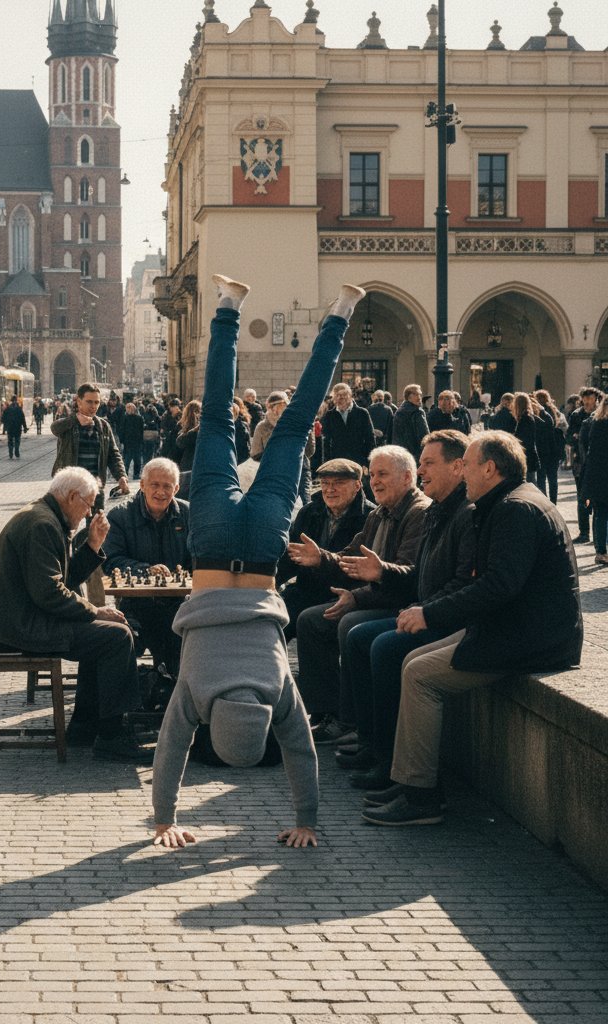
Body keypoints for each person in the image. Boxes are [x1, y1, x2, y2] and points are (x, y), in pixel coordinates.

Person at [151, 275, 367, 852]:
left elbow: (302, 751)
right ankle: (229, 305)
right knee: (218, 417)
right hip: (215, 543)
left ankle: (341, 312)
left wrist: (308, 821)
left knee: (295, 423)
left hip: (266, 549)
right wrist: (163, 820)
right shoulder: (196, 690)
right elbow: (171, 749)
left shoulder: (275, 690)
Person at [362, 431, 581, 826]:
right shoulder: (507, 502)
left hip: (531, 639)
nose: (463, 474)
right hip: (517, 629)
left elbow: (497, 586)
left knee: (419, 673)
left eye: (468, 465)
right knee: (412, 657)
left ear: (490, 468)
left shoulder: (515, 509)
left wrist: (430, 615)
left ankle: (422, 796)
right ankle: (407, 778)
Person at [0, 466, 150, 763]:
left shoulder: (48, 518)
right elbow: (50, 593)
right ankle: (111, 735)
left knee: (113, 632)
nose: (88, 514)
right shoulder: (42, 525)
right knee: (116, 637)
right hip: (21, 628)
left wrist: (93, 544)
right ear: (72, 496)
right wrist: (95, 610)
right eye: (88, 505)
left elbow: (63, 581)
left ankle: (85, 725)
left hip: (27, 619)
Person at [340, 430, 476, 791]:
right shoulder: (439, 509)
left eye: (428, 463)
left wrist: (423, 609)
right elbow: (420, 574)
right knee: (357, 635)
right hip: (425, 606)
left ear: (459, 467)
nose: (421, 470)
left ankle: (388, 761)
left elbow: (467, 583)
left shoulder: (460, 511)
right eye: (420, 462)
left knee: (381, 644)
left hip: (448, 617)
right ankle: (370, 742)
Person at [289, 445, 430, 744]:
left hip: (401, 603)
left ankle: (352, 722)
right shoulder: (380, 513)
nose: (375, 481)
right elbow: (349, 558)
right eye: (373, 475)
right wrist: (320, 558)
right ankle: (327, 712)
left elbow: (408, 574)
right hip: (372, 596)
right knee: (309, 619)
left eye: (383, 475)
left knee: (347, 624)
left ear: (407, 478)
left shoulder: (417, 512)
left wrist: (359, 594)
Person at [103, 458, 190, 678]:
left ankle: (175, 696)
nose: (161, 492)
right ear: (142, 485)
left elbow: (198, 559)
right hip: (135, 605)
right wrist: (145, 569)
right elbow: (110, 560)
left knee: (189, 636)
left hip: (178, 604)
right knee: (121, 638)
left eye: (167, 486)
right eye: (155, 485)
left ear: (176, 488)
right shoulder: (120, 516)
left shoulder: (188, 514)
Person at [274, 458, 374, 641]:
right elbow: (289, 557)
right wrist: (269, 582)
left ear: (358, 485)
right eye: (325, 483)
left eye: (339, 483)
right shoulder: (310, 513)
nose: (330, 489)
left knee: (311, 621)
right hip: (306, 591)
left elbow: (360, 571)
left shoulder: (369, 517)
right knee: (272, 617)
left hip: (342, 594)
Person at [51, 382, 129, 511]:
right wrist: (75, 420)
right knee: (66, 527)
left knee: (96, 526)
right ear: (79, 402)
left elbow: (113, 454)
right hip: (69, 487)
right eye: (89, 402)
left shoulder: (103, 426)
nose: (93, 406)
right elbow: (55, 428)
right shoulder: (69, 423)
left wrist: (121, 476)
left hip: (95, 486)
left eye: (96, 402)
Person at [567, 387, 601, 542]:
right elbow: (568, 436)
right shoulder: (576, 415)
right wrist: (575, 437)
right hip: (580, 463)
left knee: (599, 500)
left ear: (597, 399)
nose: (587, 402)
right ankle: (584, 533)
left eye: (590, 399)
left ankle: (598, 535)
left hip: (599, 464)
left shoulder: (602, 415)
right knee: (582, 498)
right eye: (585, 399)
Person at [580, 394, 608, 565]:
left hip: (598, 476)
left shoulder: (596, 424)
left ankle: (601, 551)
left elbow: (589, 452)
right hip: (601, 475)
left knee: (601, 514)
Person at [320, 382, 375, 469]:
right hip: (337, 463)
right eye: (337, 395)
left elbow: (370, 439)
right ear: (333, 398)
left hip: (358, 462)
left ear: (350, 395)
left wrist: (367, 462)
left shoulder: (362, 413)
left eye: (344, 394)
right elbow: (325, 442)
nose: (341, 397)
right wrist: (327, 464)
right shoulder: (329, 415)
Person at [534, 389, 566, 503]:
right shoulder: (555, 411)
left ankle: (544, 501)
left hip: (542, 448)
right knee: (553, 478)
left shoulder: (537, 413)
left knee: (541, 478)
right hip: (554, 448)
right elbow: (563, 427)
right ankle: (553, 502)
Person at [391, 384, 430, 462]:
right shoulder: (417, 412)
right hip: (416, 455)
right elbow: (424, 435)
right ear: (409, 396)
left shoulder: (399, 412)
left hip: (400, 453)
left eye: (420, 394)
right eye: (416, 394)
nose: (419, 397)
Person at [510, 392, 540, 485]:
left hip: (527, 456)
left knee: (530, 483)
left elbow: (524, 439)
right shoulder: (526, 418)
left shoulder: (525, 419)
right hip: (529, 455)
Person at [172, 399, 201, 473]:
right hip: (190, 465)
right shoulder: (183, 426)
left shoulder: (181, 425)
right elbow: (179, 442)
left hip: (186, 466)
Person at [119, 401, 145, 480]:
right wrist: (122, 441)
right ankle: (128, 475)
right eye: (128, 408)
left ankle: (134, 475)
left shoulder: (138, 418)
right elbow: (122, 430)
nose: (129, 410)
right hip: (130, 443)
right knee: (128, 460)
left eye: (130, 408)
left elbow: (141, 431)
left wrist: (122, 441)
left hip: (133, 442)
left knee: (134, 460)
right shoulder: (126, 418)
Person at [1, 393, 27, 459]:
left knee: (10, 440)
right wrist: (25, 427)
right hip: (18, 427)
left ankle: (10, 453)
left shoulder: (7, 409)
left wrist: (6, 426)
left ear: (11, 401)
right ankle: (16, 450)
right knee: (17, 440)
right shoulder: (19, 409)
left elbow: (3, 419)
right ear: (16, 400)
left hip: (10, 428)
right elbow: (22, 419)